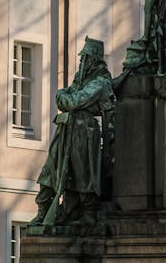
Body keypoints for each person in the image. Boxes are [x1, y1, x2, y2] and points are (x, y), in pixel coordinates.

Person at [28, 37, 114, 233]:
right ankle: (43, 211)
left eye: (85, 57)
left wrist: (63, 96)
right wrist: (64, 96)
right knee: (50, 170)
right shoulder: (81, 80)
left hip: (84, 132)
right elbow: (66, 97)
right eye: (82, 58)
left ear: (94, 58)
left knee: (83, 173)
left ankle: (87, 213)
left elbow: (74, 100)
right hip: (66, 130)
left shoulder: (100, 82)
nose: (82, 61)